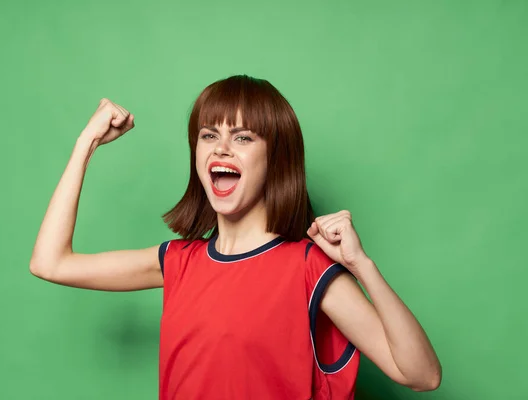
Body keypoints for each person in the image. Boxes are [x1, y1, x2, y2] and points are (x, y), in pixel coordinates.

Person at [30, 75, 441, 399]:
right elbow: (50, 263)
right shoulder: (177, 261)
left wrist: (361, 267)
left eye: (243, 137)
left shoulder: (308, 269)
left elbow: (421, 375)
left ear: (275, 159)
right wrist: (86, 145)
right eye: (209, 135)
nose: (221, 149)